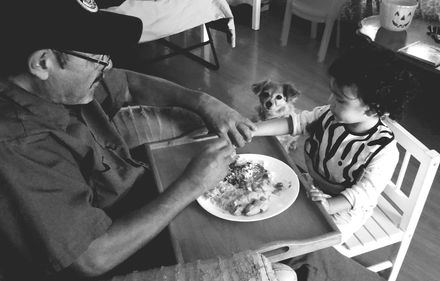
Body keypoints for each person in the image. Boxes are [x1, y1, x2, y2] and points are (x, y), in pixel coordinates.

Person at [0, 1, 297, 281]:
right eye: (96, 57)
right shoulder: (18, 144)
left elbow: (128, 83)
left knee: (201, 129)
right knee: (280, 273)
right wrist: (192, 184)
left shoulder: (55, 86)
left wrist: (204, 102)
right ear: (42, 62)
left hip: (124, 187)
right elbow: (92, 258)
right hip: (109, 257)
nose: (108, 64)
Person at [252, 47, 419, 242]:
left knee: (302, 239)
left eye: (340, 100)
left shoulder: (382, 151)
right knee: (268, 209)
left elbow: (362, 193)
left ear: (374, 109)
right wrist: (253, 129)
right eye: (332, 94)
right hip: (313, 187)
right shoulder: (327, 115)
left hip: (344, 209)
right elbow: (294, 123)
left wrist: (328, 206)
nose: (330, 102)